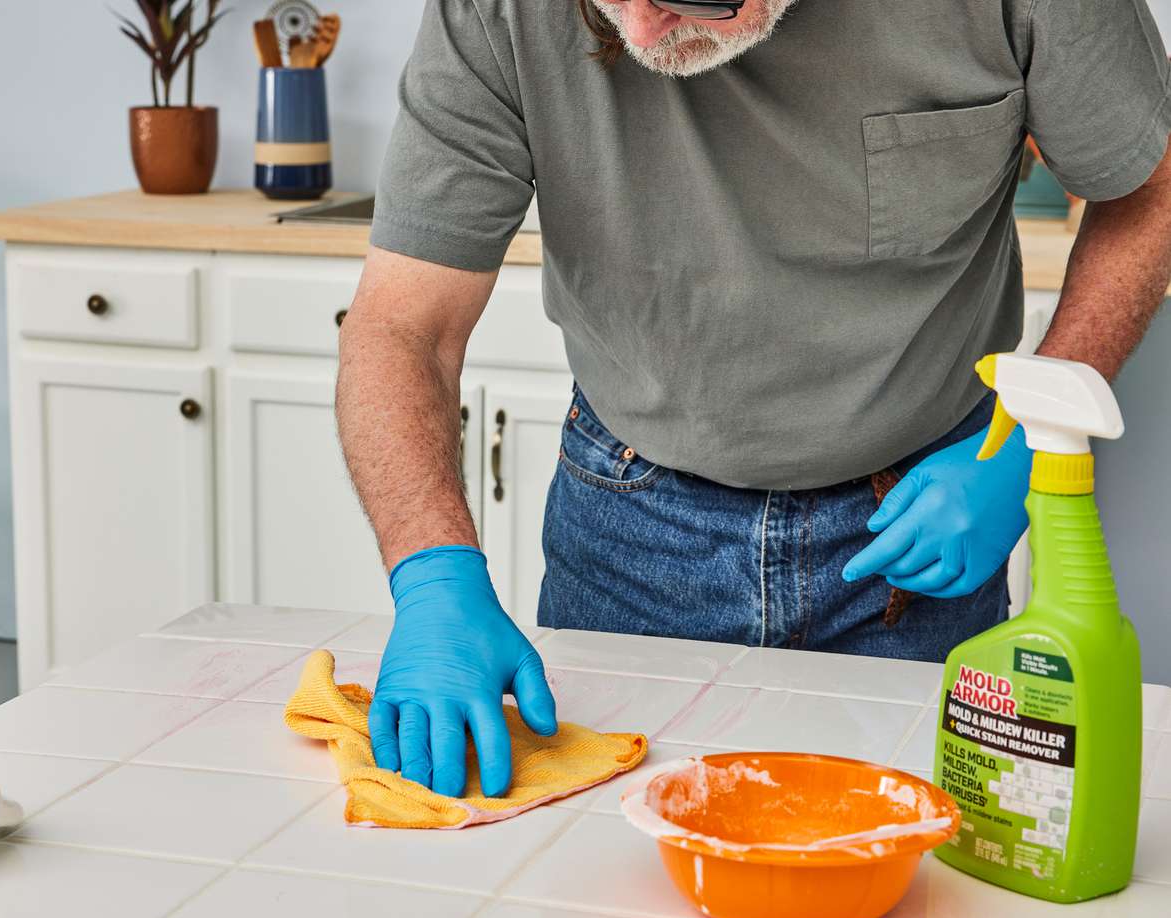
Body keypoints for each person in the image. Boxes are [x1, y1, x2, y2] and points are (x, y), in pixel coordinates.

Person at [334, 0, 1171, 797]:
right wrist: (433, 573)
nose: (641, 26)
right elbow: (404, 327)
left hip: (913, 549)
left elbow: (1150, 190)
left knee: (919, 906)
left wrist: (1036, 427)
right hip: (630, 537)